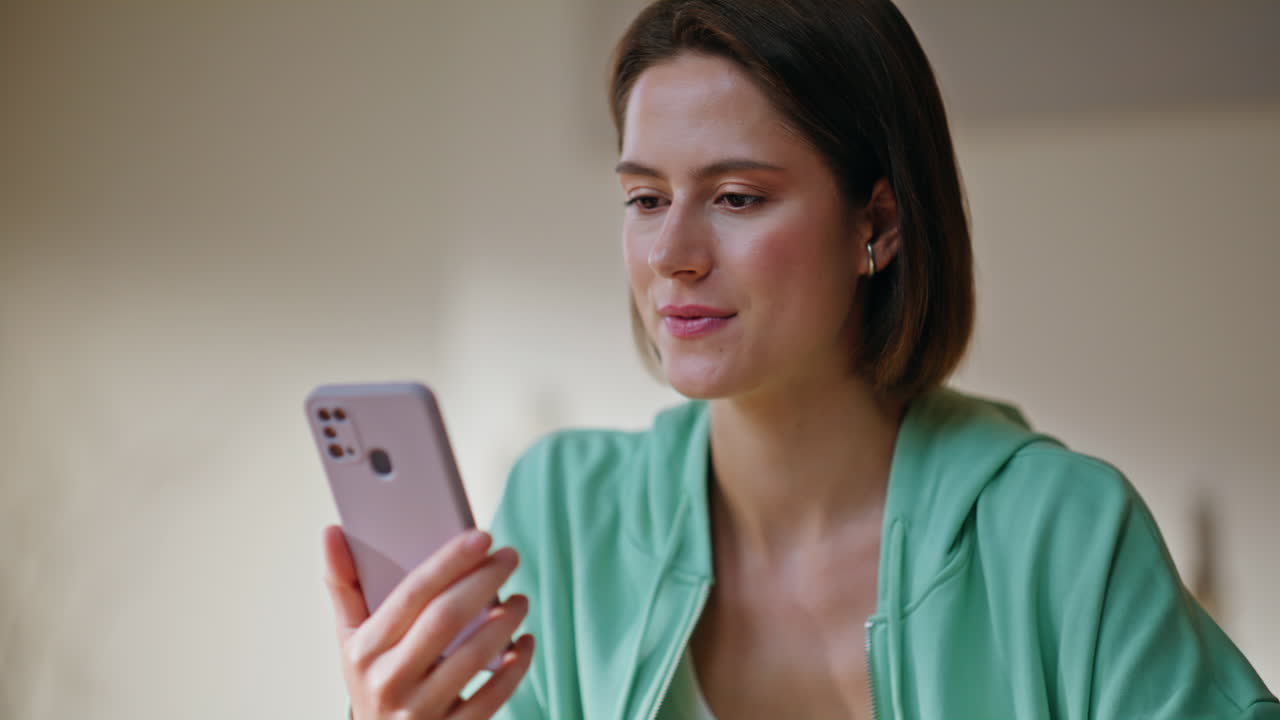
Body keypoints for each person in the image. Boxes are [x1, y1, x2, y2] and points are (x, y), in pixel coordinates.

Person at [321, 1, 1280, 718]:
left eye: (736, 196)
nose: (673, 255)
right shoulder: (567, 520)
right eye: (646, 198)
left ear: (881, 222)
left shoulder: (1060, 535)